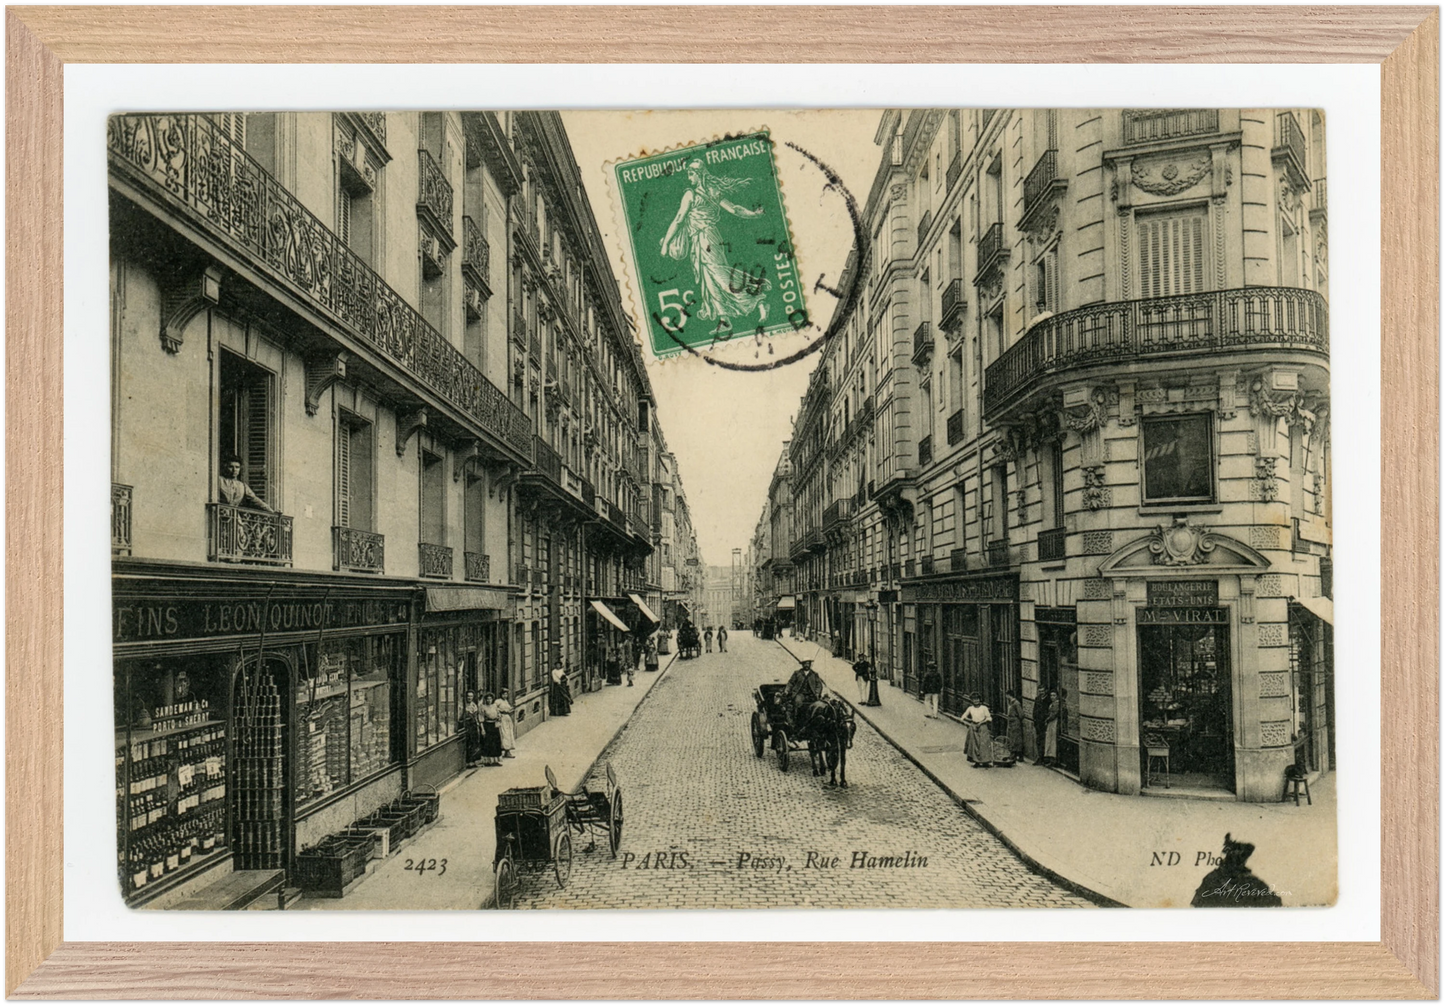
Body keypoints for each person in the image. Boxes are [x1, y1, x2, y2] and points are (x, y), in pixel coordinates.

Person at [659, 158, 771, 335]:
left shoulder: (692, 194)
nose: (689, 177)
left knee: (719, 276)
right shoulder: (712, 191)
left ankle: (758, 299)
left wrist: (666, 243)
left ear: (699, 174)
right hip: (704, 239)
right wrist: (754, 215)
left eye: (691, 173)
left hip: (706, 238)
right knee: (708, 279)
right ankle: (724, 319)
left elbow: (679, 219)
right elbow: (735, 209)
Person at [962, 693, 994, 768]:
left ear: (980, 700)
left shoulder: (984, 708)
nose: (976, 701)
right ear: (972, 700)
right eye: (974, 699)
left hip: (983, 727)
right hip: (974, 727)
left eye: (977, 699)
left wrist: (981, 723)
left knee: (984, 744)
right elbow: (963, 717)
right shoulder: (970, 708)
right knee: (974, 745)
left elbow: (989, 718)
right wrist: (971, 721)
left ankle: (985, 761)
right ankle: (976, 762)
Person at [479, 693, 504, 767]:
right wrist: (483, 729)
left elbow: (498, 713)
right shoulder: (482, 707)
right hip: (487, 726)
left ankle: (495, 760)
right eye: (487, 699)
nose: (489, 700)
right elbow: (481, 719)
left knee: (496, 742)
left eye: (490, 699)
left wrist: (499, 717)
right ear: (485, 699)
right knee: (488, 743)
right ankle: (488, 761)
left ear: (492, 699)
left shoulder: (494, 706)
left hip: (495, 726)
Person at [458, 690, 482, 767]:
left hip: (474, 726)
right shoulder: (462, 706)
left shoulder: (474, 705)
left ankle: (474, 761)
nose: (469, 698)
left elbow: (476, 716)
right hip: (466, 726)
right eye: (468, 696)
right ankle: (467, 762)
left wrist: (478, 725)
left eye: (471, 696)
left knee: (474, 742)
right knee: (468, 743)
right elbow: (459, 717)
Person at [1005, 690, 1026, 764]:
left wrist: (1017, 720)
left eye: (1007, 695)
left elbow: (1021, 714)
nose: (1006, 696)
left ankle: (1017, 755)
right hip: (1011, 722)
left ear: (1009, 695)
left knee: (1016, 739)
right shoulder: (1010, 703)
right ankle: (1015, 754)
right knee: (1012, 738)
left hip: (1015, 723)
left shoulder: (1016, 703)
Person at [1043, 688, 1062, 767]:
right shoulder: (1052, 703)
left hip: (1054, 723)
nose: (1052, 697)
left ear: (1057, 696)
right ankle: (1050, 759)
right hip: (1051, 723)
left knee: (1052, 740)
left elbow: (1054, 714)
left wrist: (1047, 719)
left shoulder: (1056, 704)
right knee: (1050, 740)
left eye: (1054, 695)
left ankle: (1053, 760)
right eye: (1051, 695)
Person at [1033, 689, 1052, 765]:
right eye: (1040, 691)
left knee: (1044, 741)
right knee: (1038, 740)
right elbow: (1034, 710)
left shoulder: (1048, 700)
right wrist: (1034, 719)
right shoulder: (1037, 698)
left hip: (1045, 723)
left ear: (1046, 691)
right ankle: (1039, 757)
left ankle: (1045, 758)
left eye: (1043, 691)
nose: (1041, 693)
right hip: (1038, 723)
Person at [496, 688, 517, 758]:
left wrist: (511, 709)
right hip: (502, 718)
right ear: (501, 694)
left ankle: (507, 751)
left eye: (506, 694)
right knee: (504, 734)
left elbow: (509, 708)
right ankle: (504, 749)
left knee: (509, 733)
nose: (505, 696)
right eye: (503, 694)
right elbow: (494, 708)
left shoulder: (506, 701)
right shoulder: (498, 701)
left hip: (507, 718)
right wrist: (501, 712)